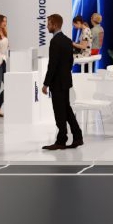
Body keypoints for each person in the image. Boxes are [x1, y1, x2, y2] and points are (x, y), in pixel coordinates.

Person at [42, 13, 82, 151]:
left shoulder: (55, 41)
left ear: (54, 24)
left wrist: (46, 84)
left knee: (60, 111)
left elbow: (52, 65)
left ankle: (61, 140)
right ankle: (78, 136)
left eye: (48, 24)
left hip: (57, 83)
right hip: (66, 80)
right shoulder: (67, 40)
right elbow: (71, 61)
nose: (47, 26)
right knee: (66, 109)